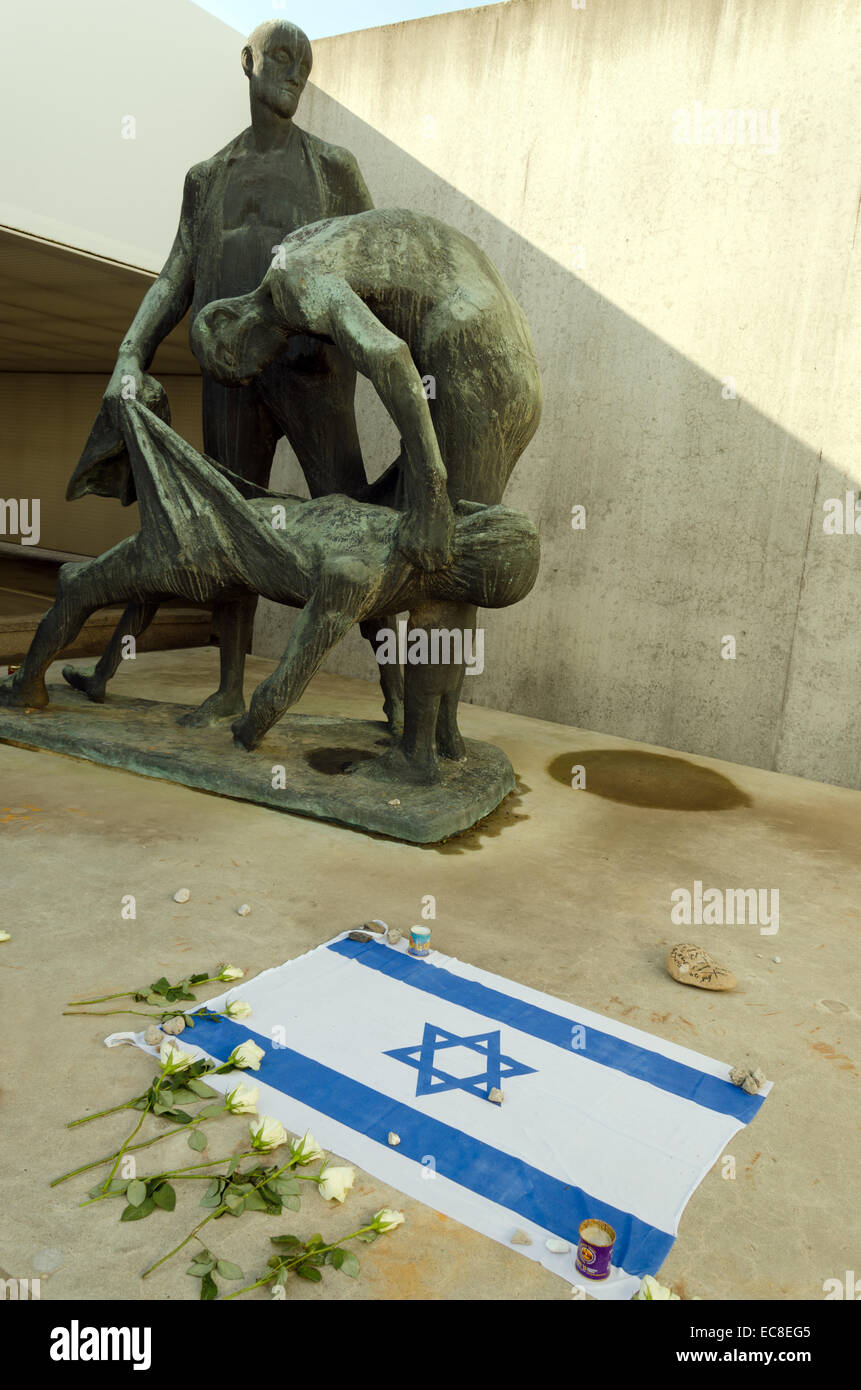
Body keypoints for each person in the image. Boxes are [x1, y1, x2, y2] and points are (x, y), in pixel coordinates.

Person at [62, 20, 406, 726]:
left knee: (358, 531)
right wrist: (131, 351)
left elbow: (376, 266)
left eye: (303, 64)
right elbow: (175, 274)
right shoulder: (207, 178)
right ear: (246, 63)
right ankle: (226, 686)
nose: (294, 74)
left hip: (312, 377)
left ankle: (400, 693)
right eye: (280, 58)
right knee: (228, 534)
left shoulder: (332, 168)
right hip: (230, 384)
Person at [0, 403, 539, 783]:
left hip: (211, 540)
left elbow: (292, 672)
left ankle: (28, 686)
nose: (462, 514)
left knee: (79, 582)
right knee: (121, 583)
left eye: (471, 519)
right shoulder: (402, 566)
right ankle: (88, 678)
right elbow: (392, 636)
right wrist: (402, 708)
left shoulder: (362, 573)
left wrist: (249, 731)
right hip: (232, 524)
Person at [191, 206, 543, 762]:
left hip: (470, 358)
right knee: (437, 551)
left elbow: (389, 355)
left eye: (241, 366)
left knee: (442, 570)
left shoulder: (290, 283)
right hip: (502, 362)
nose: (259, 370)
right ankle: (443, 737)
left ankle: (420, 755)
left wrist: (428, 491)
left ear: (229, 326)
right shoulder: (304, 243)